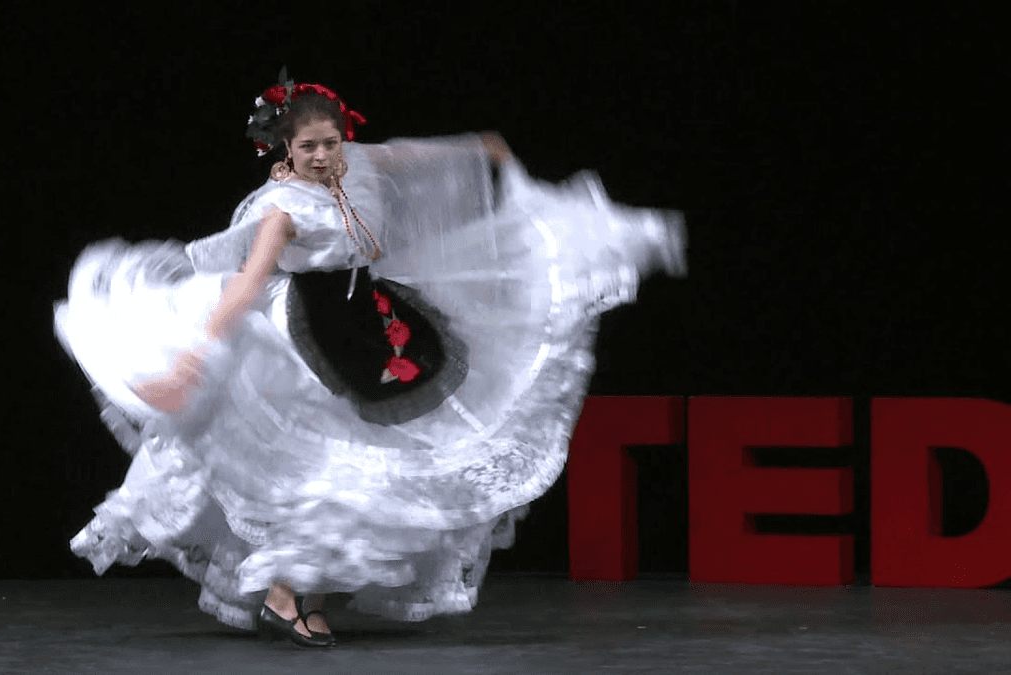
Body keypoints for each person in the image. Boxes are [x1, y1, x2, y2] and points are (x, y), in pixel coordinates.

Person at [54, 74, 686, 649]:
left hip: (371, 330)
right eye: (308, 149)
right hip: (301, 346)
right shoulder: (283, 209)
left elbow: (409, 156)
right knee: (325, 470)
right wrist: (198, 353)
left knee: (378, 470)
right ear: (285, 152)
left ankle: (302, 592)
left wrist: (476, 148)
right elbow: (246, 283)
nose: (324, 156)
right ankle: (284, 591)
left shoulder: (358, 164)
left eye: (330, 143)